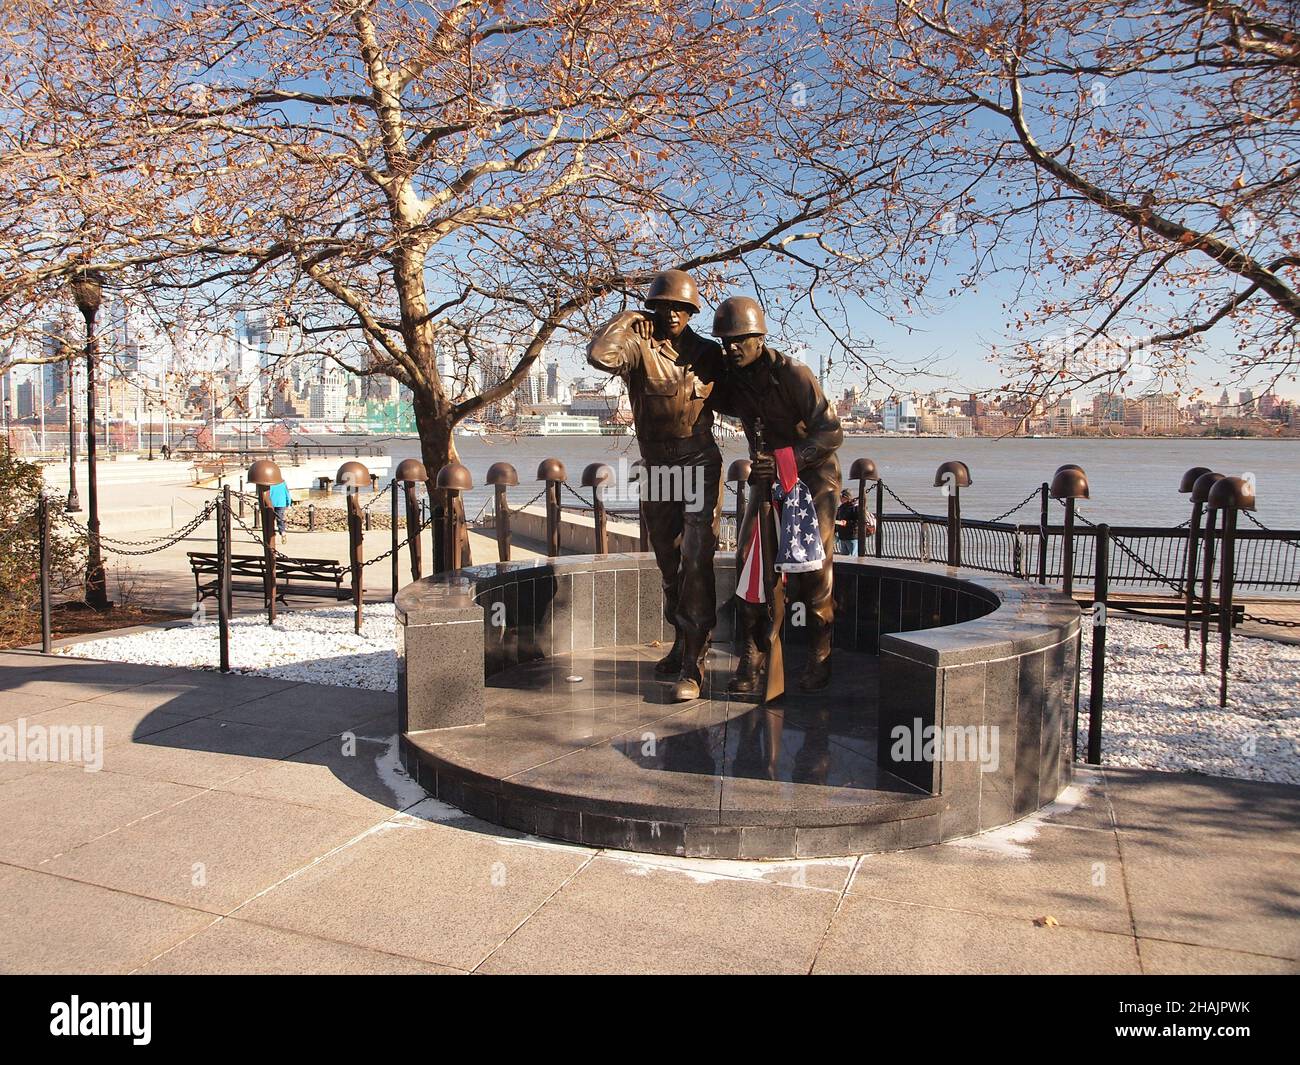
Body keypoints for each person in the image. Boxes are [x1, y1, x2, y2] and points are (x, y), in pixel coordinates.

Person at [587, 269, 726, 701]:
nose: (672, 314)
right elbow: (598, 356)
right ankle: (679, 642)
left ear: (691, 312)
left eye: (681, 308)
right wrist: (626, 318)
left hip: (698, 461)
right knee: (668, 562)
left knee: (697, 558)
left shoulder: (707, 353)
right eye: (664, 306)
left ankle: (694, 663)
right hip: (657, 465)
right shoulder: (636, 347)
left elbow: (743, 399)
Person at [707, 295, 843, 693]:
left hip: (812, 477)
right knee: (749, 560)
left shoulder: (795, 374)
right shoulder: (731, 378)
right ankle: (753, 653)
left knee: (812, 564)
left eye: (739, 340)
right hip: (766, 480)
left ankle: (820, 652)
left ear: (759, 338)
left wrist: (789, 459)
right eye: (724, 342)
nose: (730, 348)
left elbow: (832, 433)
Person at [834, 490, 859, 555]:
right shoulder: (841, 508)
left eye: (841, 496)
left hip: (852, 536)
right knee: (844, 557)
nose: (840, 498)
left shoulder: (855, 507)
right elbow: (837, 519)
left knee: (853, 556)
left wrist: (846, 523)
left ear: (846, 497)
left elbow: (858, 521)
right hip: (842, 536)